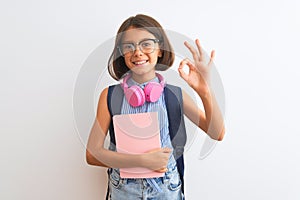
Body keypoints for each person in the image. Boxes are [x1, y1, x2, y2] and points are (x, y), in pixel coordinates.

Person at [86, 14, 225, 200]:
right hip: (124, 190)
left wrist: (205, 91)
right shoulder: (110, 96)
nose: (137, 52)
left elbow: (217, 133)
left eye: (146, 44)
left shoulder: (175, 95)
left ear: (159, 49)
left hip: (167, 188)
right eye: (128, 46)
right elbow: (92, 154)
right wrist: (141, 161)